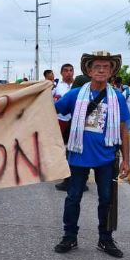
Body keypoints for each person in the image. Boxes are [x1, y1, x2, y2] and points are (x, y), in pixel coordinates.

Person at [53, 51, 130, 258]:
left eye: (106, 67)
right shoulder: (76, 94)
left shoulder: (118, 98)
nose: (102, 70)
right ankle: (70, 237)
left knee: (106, 199)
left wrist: (126, 161)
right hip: (78, 155)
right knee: (73, 197)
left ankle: (105, 239)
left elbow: (123, 130)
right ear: (89, 70)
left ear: (112, 71)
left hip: (106, 157)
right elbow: (52, 110)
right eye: (97, 67)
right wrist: (37, 94)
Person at [53, 64, 85, 192]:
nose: (69, 73)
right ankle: (74, 178)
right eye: (66, 70)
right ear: (61, 72)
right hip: (62, 120)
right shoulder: (56, 86)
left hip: (76, 122)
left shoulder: (77, 87)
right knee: (64, 147)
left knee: (71, 149)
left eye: (71, 70)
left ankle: (71, 180)